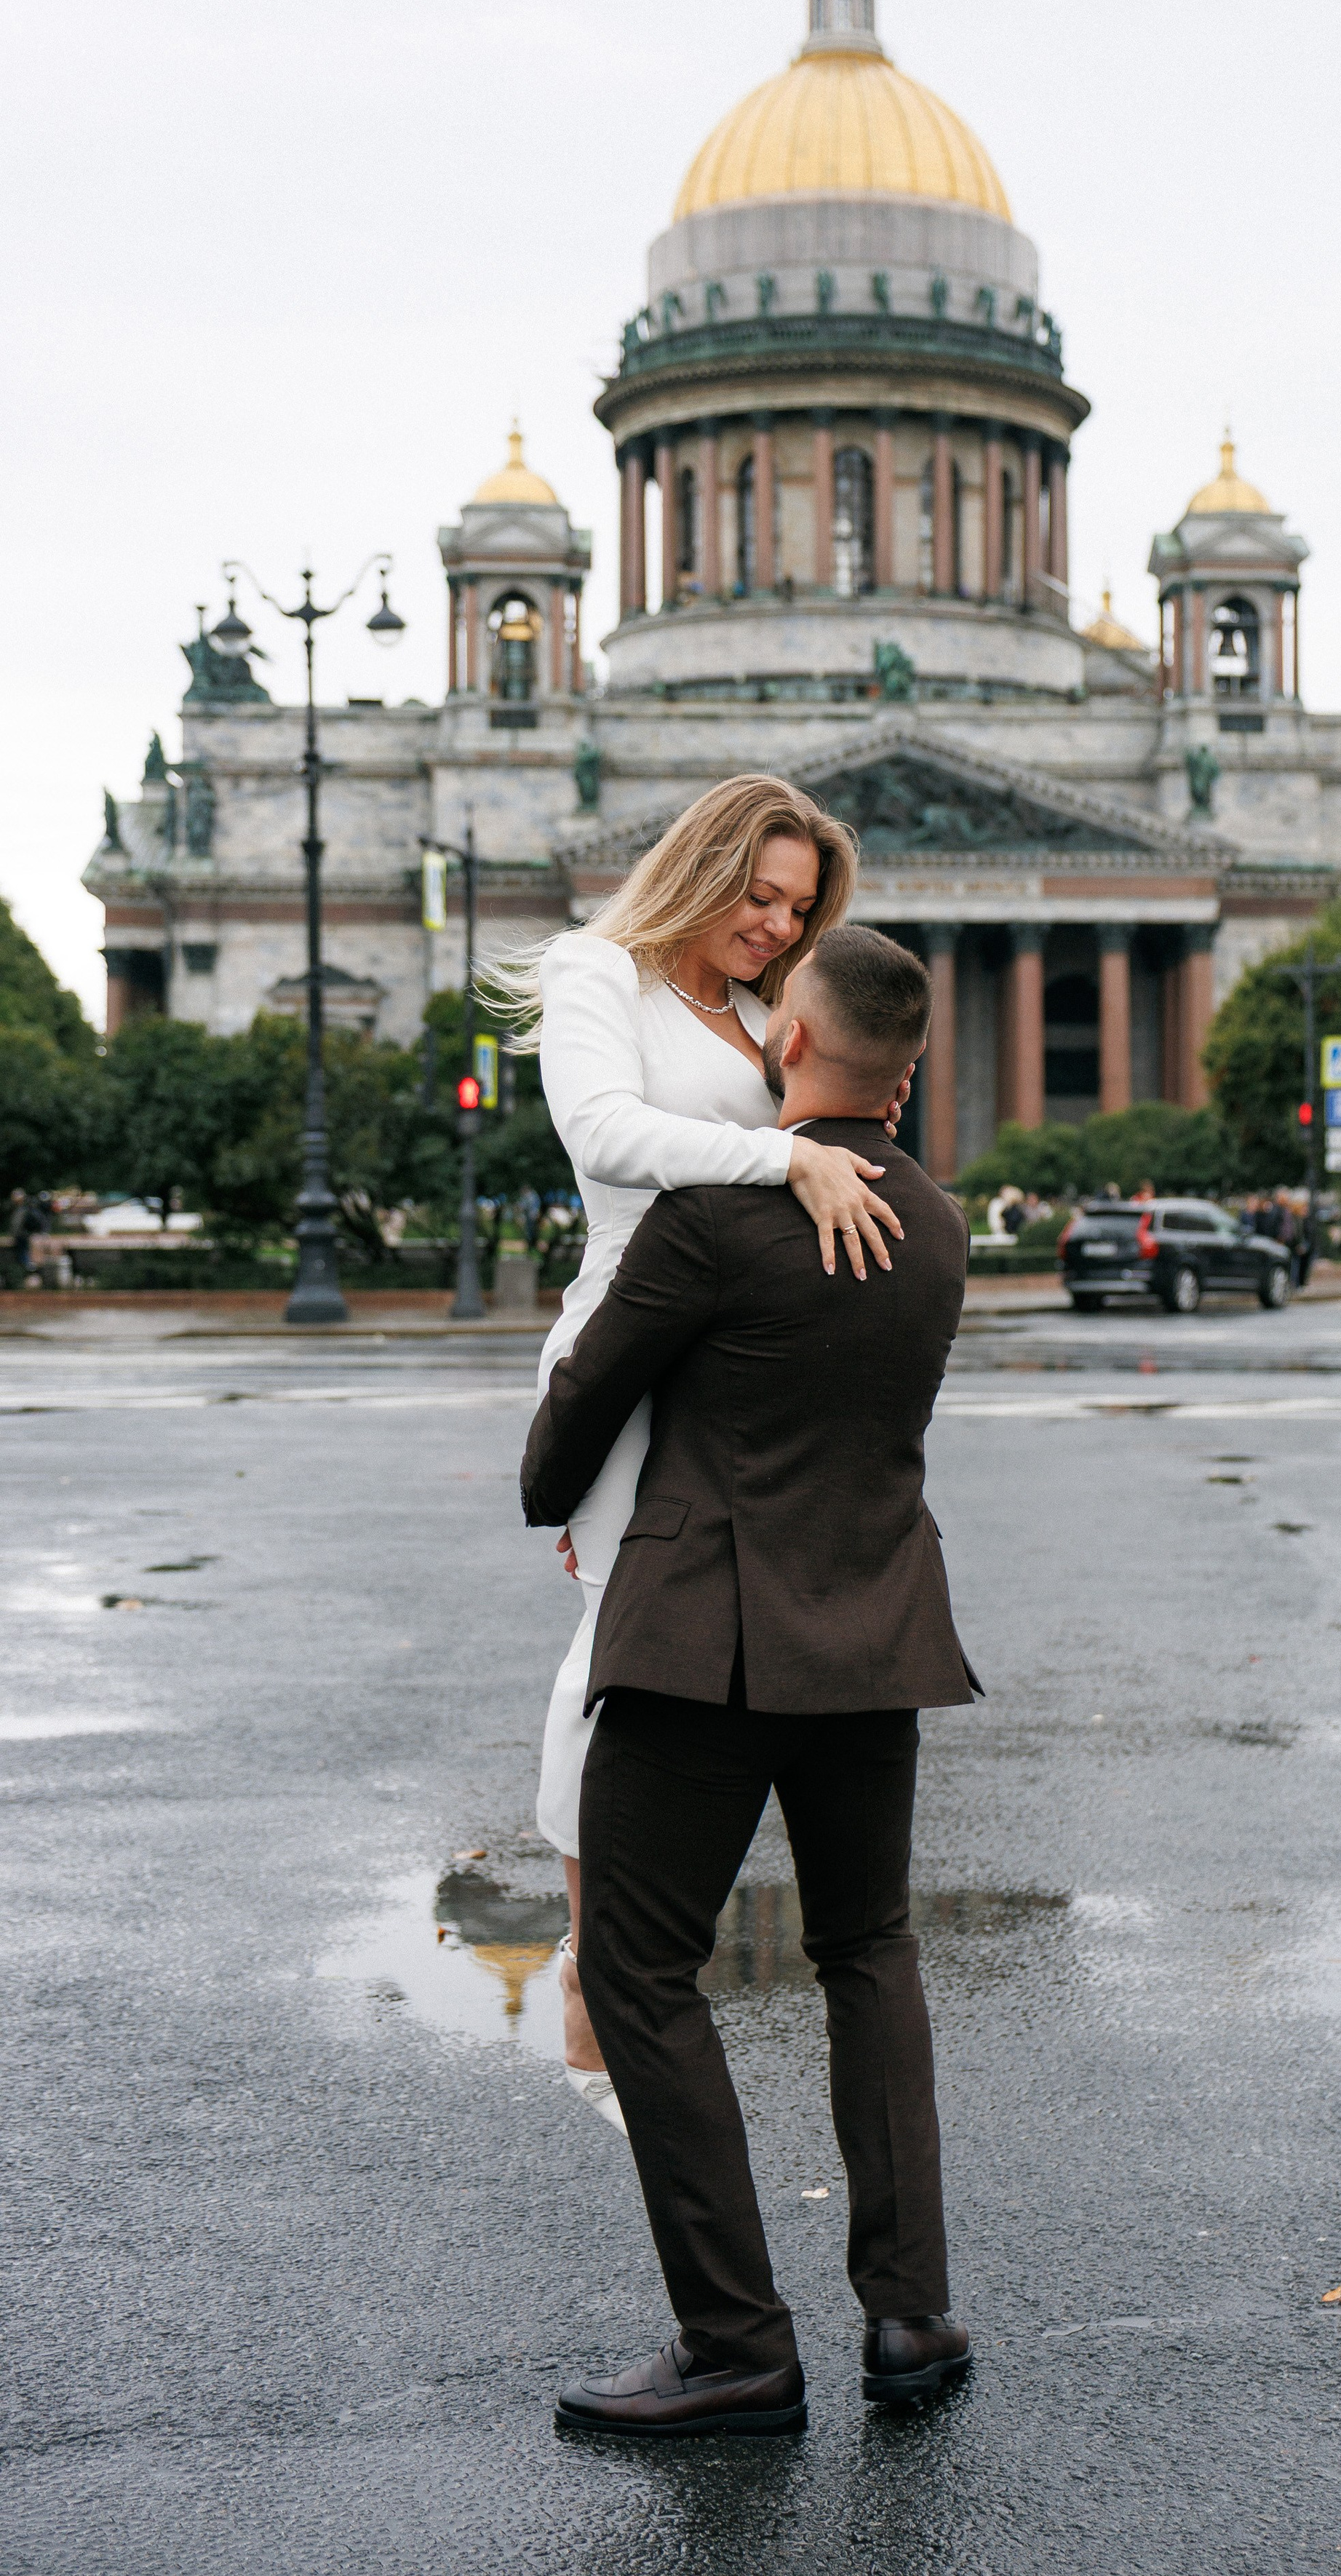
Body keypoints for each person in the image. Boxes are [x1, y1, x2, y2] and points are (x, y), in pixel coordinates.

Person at [521, 926, 975, 2438]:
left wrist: (562, 1485)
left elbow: (569, 1431)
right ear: (908, 1072)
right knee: (870, 1953)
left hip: (698, 1651)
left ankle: (735, 2346)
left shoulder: (709, 1220)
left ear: (788, 1044)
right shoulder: (939, 1224)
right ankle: (908, 2317)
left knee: (639, 1973)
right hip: (874, 1639)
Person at [481, 776, 911, 2129]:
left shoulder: (759, 1011)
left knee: (698, 1653)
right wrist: (784, 1164)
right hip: (627, 1337)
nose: (776, 926)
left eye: (798, 911)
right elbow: (604, 1135)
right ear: (704, 863)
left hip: (736, 1361)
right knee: (621, 1647)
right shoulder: (596, 970)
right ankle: (595, 1970)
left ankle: (622, 1959)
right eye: (760, 894)